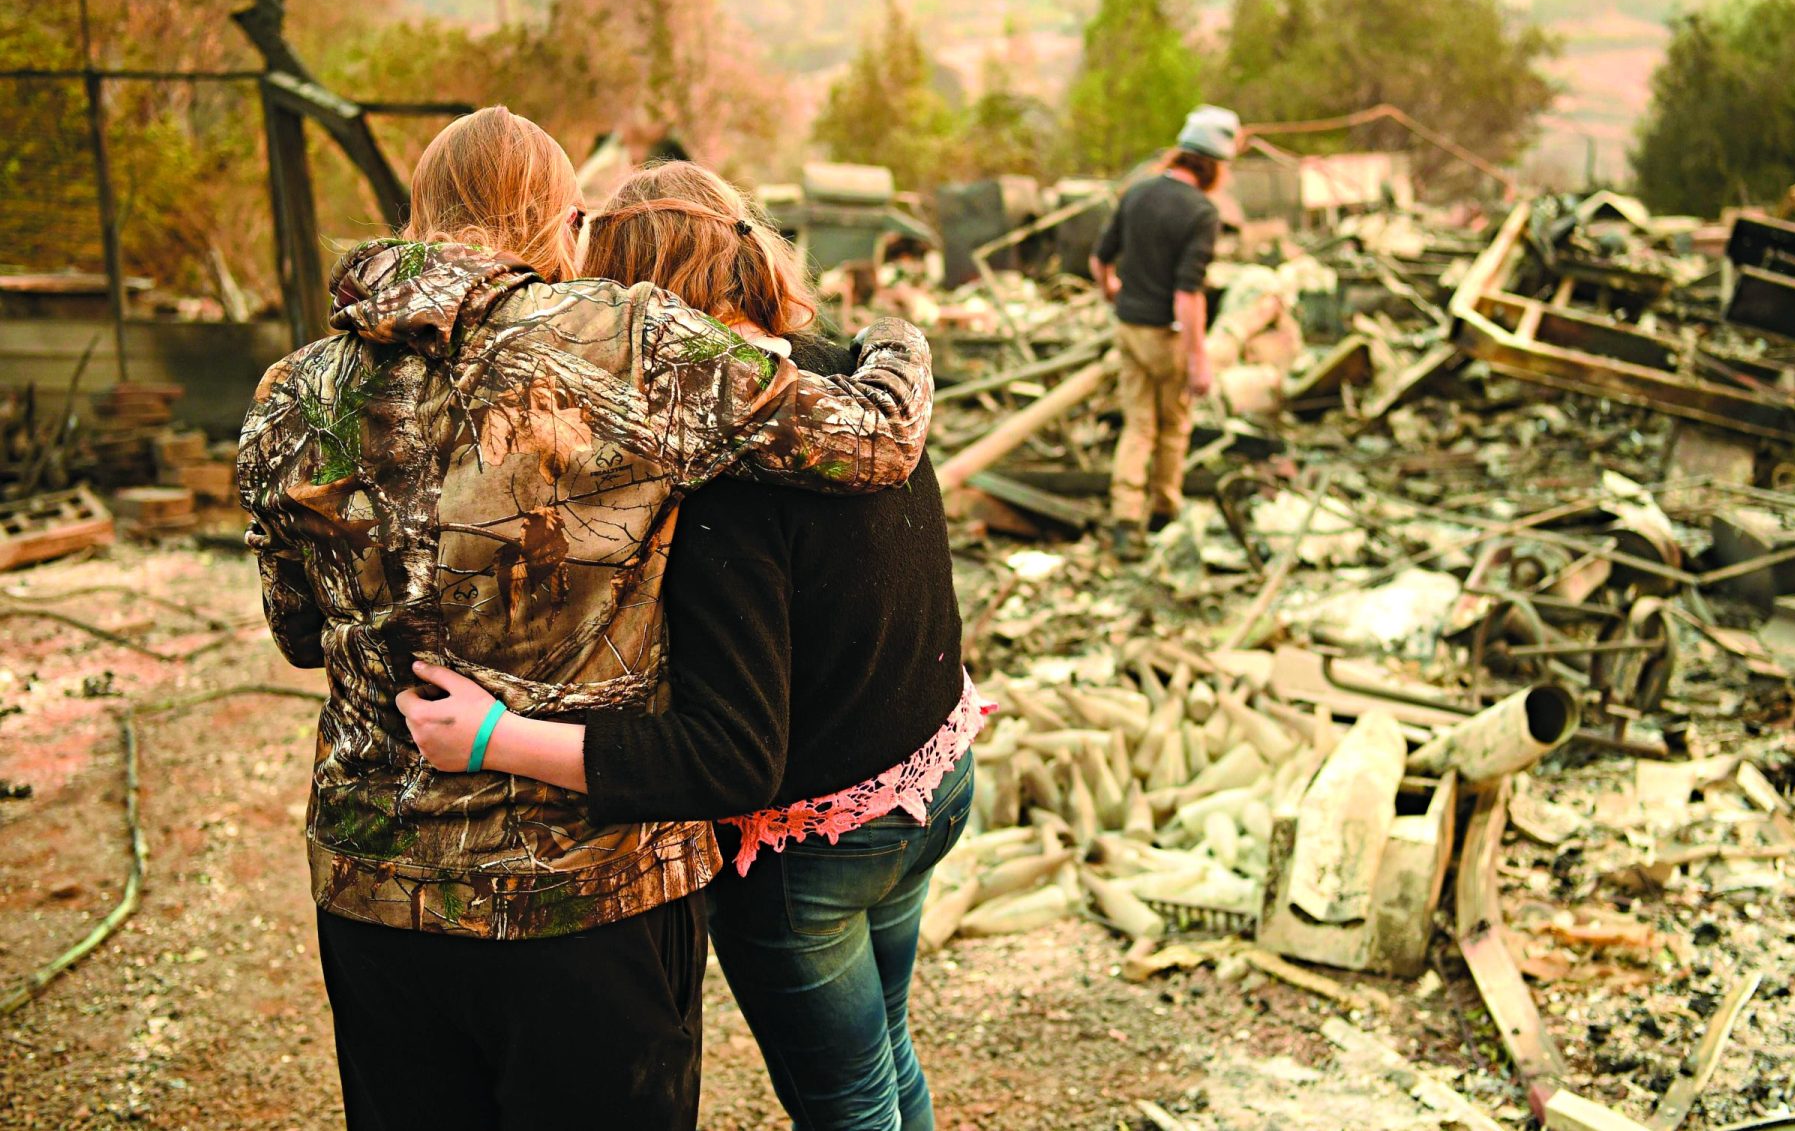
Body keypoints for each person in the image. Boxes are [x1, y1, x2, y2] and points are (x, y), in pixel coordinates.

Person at [235, 107, 936, 1131]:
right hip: (593, 894)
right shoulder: (627, 344)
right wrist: (899, 337)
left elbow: (298, 630)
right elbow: (875, 439)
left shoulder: (289, 392)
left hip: (375, 888)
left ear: (417, 216)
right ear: (562, 226)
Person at [397, 159, 983, 1131]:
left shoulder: (718, 482)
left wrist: (496, 734)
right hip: (938, 775)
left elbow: (728, 756)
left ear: (624, 301)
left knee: (849, 1102)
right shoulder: (850, 383)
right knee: (888, 1053)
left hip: (817, 845)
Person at [1090, 103, 1239, 562]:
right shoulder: (1201, 213)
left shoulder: (1137, 194)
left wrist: (1113, 293)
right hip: (1166, 336)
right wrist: (1199, 360)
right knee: (1173, 425)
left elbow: (1100, 260)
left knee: (1138, 426)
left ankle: (1126, 523)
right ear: (1213, 165)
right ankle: (1163, 509)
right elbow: (1187, 297)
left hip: (1129, 327)